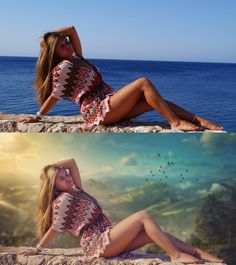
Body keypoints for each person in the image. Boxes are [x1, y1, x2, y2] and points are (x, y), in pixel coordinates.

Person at [20, 158, 223, 264]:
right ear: (54, 187)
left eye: (66, 174)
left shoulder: (76, 190)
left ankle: (200, 254)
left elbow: (71, 161)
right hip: (99, 244)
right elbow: (55, 228)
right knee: (143, 215)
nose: (68, 176)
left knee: (154, 234)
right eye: (62, 178)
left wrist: (50, 169)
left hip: (108, 236)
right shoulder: (63, 201)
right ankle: (176, 256)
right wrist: (37, 249)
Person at [20, 26, 224, 132]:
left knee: (156, 102)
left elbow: (72, 29)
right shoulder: (62, 69)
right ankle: (175, 123)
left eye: (66, 42)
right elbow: (54, 96)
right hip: (98, 109)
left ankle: (200, 121)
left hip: (111, 102)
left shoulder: (77, 58)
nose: (68, 44)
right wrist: (37, 116)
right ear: (54, 53)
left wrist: (47, 38)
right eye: (62, 45)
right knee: (143, 82)